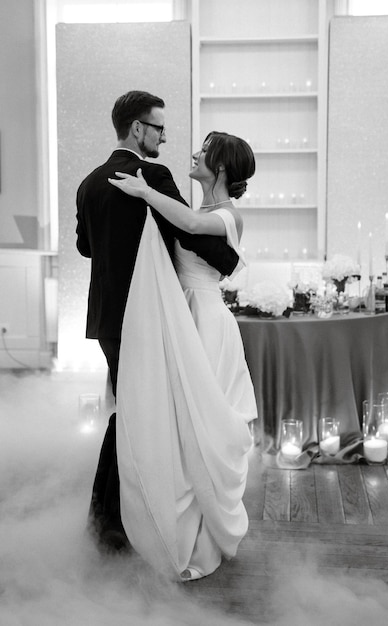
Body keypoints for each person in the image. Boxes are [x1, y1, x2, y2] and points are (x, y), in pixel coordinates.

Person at [76, 91, 240, 551]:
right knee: (143, 419)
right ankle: (118, 524)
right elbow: (185, 228)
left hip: (107, 320)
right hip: (147, 317)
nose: (165, 137)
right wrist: (228, 260)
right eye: (159, 128)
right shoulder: (153, 174)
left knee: (130, 413)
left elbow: (85, 246)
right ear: (137, 129)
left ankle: (106, 521)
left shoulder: (89, 183)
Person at [108, 131, 258, 581]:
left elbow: (191, 229)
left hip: (208, 323)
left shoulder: (229, 216)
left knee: (204, 428)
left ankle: (204, 541)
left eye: (203, 152)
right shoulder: (197, 210)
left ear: (222, 167)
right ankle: (184, 534)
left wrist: (144, 190)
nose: (193, 154)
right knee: (180, 430)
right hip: (182, 317)